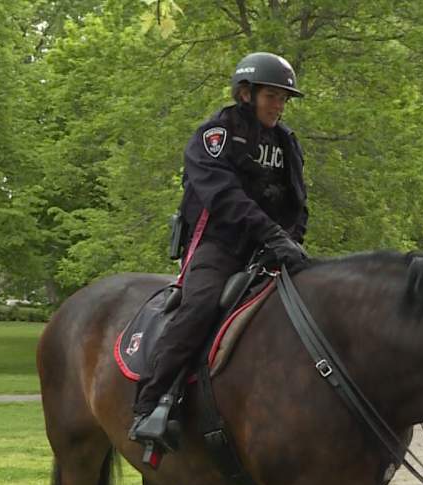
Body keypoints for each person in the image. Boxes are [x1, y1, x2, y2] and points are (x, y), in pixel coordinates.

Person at [130, 51, 309, 445]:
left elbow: (298, 201)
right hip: (220, 244)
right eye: (272, 96)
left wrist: (291, 239)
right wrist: (272, 235)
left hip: (272, 248)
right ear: (246, 94)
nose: (279, 106)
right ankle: (149, 403)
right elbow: (225, 198)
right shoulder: (216, 136)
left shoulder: (287, 143)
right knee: (201, 306)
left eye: (284, 98)